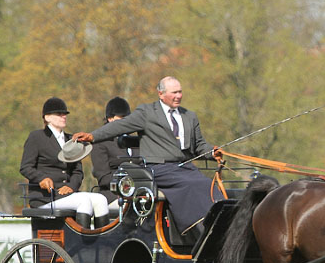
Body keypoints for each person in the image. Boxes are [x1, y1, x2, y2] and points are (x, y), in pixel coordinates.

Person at [74, 76, 222, 235]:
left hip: (184, 167)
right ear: (161, 94)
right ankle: (196, 229)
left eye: (180, 92)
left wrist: (212, 152)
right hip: (159, 168)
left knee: (209, 184)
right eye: (174, 92)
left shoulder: (189, 116)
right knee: (194, 184)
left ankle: (218, 222)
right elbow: (118, 126)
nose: (178, 96)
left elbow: (199, 145)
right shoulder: (147, 113)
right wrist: (93, 136)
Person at [20, 97, 110, 229]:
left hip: (68, 194)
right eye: (59, 114)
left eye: (65, 114)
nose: (63, 117)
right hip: (45, 198)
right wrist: (42, 178)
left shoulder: (70, 139)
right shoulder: (36, 137)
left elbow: (77, 171)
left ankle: (100, 245)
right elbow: (26, 167)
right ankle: (81, 247)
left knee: (101, 199)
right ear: (47, 117)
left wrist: (71, 186)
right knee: (84, 201)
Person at [91, 96, 139, 205]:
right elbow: (103, 177)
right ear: (110, 119)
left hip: (138, 192)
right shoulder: (101, 143)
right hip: (113, 193)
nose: (125, 122)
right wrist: (127, 183)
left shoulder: (135, 140)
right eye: (121, 118)